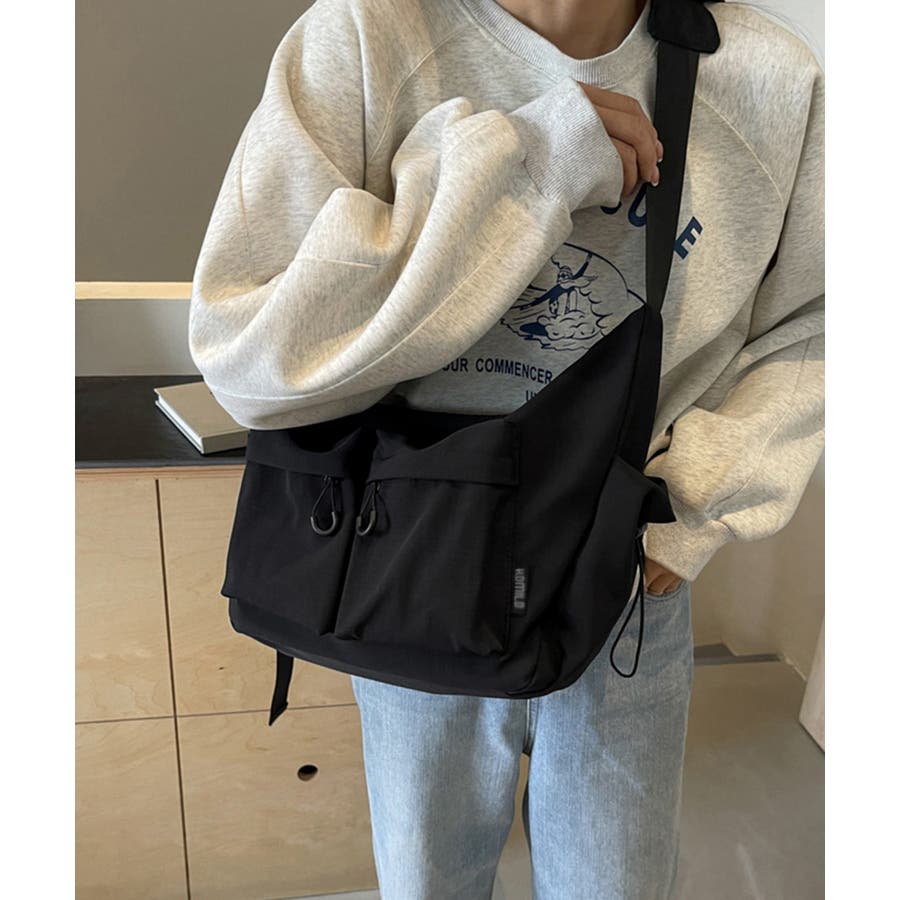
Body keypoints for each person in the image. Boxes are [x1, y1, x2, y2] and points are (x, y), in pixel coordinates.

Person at [188, 0, 825, 896]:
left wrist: (699, 496)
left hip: (625, 576)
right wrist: (526, 163)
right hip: (415, 563)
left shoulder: (768, 77)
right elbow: (248, 353)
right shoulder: (368, 36)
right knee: (429, 883)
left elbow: (820, 320)